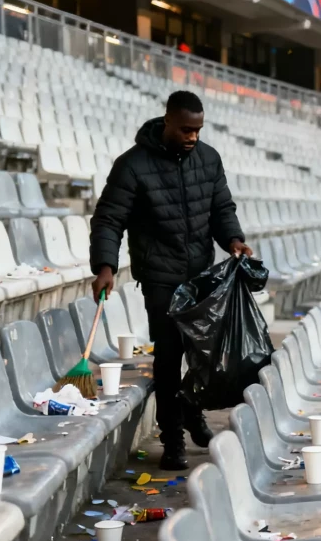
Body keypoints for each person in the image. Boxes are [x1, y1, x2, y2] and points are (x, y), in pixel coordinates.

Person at [89, 90, 252, 471]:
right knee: (168, 356)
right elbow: (109, 219)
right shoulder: (132, 165)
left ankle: (191, 411)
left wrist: (233, 240)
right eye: (185, 130)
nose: (193, 137)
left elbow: (221, 208)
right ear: (167, 122)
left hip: (201, 276)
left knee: (202, 353)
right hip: (159, 277)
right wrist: (105, 266)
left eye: (198, 130)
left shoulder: (209, 159)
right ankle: (172, 437)